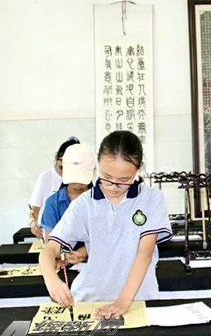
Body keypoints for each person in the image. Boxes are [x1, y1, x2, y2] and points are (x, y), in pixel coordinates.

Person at [39, 130, 172, 320]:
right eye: (106, 177)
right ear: (98, 165)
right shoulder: (85, 204)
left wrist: (122, 302)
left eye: (124, 181)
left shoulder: (152, 199)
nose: (113, 187)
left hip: (137, 300)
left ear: (138, 169)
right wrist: (52, 280)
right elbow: (49, 249)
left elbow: (144, 254)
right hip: (90, 301)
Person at [40, 143, 96, 265]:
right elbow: (50, 245)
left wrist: (83, 252)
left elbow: (104, 237)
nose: (78, 182)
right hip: (64, 264)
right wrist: (66, 255)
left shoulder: (100, 201)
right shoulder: (53, 203)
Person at [28, 136, 80, 238]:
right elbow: (34, 209)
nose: (63, 166)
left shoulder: (81, 180)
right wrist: (32, 223)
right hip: (50, 234)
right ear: (57, 157)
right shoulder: (45, 177)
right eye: (61, 160)